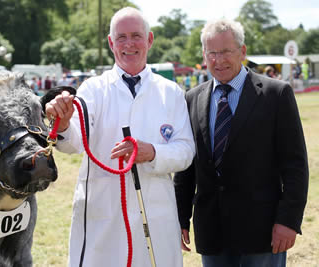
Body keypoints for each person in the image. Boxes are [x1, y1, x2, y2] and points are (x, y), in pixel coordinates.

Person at [46, 7, 195, 267]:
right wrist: (63, 123)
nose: (129, 44)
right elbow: (74, 143)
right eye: (121, 37)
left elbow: (185, 151)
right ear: (110, 42)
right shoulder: (93, 89)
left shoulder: (171, 92)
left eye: (136, 36)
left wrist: (152, 152)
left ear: (149, 40)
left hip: (156, 213)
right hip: (103, 217)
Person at [174, 18, 309, 267]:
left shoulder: (275, 95)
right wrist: (181, 218)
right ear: (204, 55)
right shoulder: (191, 99)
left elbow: (295, 165)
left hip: (263, 232)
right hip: (212, 233)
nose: (219, 60)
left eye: (226, 51)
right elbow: (187, 167)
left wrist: (288, 220)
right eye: (212, 53)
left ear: (243, 52)